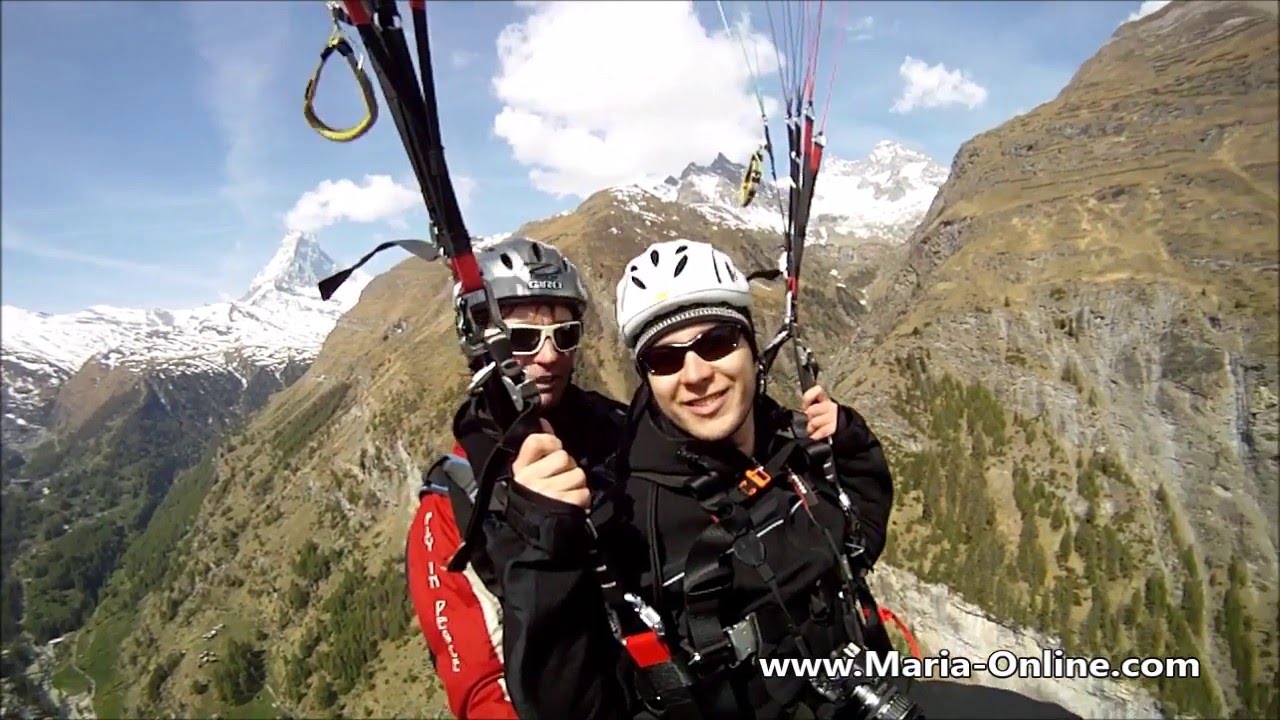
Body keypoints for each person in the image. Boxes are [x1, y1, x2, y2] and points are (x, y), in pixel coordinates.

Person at [485, 239, 1082, 720]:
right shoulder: (625, 513)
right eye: (664, 359)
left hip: (868, 693)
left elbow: (857, 540)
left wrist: (852, 446)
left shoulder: (791, 446)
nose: (696, 374)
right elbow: (570, 705)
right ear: (647, 378)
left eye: (716, 342)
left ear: (752, 346)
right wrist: (542, 549)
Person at [403, 236, 628, 720]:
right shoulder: (453, 506)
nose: (549, 356)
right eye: (523, 339)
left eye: (565, 335)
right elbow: (482, 690)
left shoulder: (618, 429)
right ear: (480, 345)